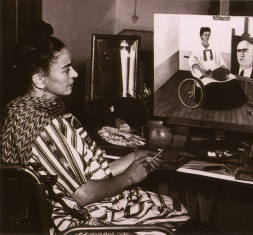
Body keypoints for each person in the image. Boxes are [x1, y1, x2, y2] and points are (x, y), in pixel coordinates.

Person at [0, 21, 190, 233]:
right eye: (66, 69)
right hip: (76, 222)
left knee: (171, 209)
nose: (75, 74)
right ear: (39, 80)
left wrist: (133, 158)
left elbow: (81, 174)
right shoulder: (45, 127)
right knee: (175, 217)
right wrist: (130, 177)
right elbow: (84, 194)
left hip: (74, 210)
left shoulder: (24, 111)